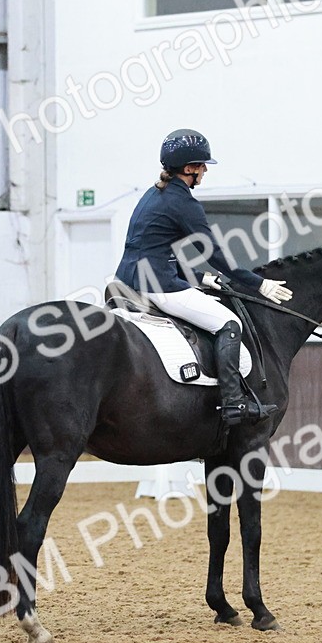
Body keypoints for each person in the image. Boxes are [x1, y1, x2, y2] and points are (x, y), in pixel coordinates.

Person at [115, 128, 292, 426]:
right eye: (202, 165)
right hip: (159, 286)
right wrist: (259, 283)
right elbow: (217, 255)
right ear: (189, 169)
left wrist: (201, 278)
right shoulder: (183, 203)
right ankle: (234, 402)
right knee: (229, 322)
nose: (205, 171)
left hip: (128, 279)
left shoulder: (153, 193)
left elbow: (154, 249)